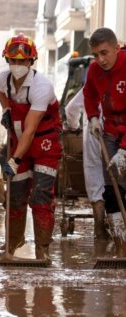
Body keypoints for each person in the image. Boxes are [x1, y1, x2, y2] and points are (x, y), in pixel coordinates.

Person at [0, 33, 62, 261]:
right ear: (7, 60)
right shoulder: (3, 79)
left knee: (41, 194)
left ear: (31, 62)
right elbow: (1, 93)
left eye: (22, 61)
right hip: (18, 139)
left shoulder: (41, 86)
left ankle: (42, 248)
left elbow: (31, 129)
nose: (17, 65)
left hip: (44, 143)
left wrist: (14, 160)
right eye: (13, 61)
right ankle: (13, 242)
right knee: (15, 195)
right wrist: (6, 110)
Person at [84, 27, 126, 256]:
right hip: (109, 130)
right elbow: (89, 95)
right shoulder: (93, 70)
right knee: (111, 186)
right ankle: (122, 246)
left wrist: (125, 149)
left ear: (116, 48)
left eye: (104, 53)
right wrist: (92, 117)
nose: (100, 60)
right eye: (96, 55)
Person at [65, 88, 109, 240]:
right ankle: (119, 231)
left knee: (95, 179)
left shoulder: (91, 84)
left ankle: (100, 229)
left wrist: (74, 126)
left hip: (92, 134)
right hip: (117, 133)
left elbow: (70, 109)